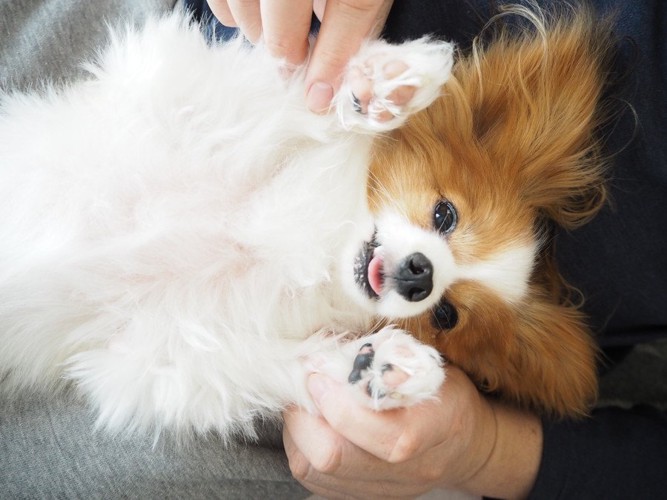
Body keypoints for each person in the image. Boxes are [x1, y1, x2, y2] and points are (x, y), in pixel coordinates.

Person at [0, 1, 665, 499]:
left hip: (175, 350)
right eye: (443, 217)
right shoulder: (389, 135)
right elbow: (168, 68)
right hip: (262, 43)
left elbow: (153, 376)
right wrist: (345, 91)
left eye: (446, 312)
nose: (421, 275)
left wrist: (484, 447)